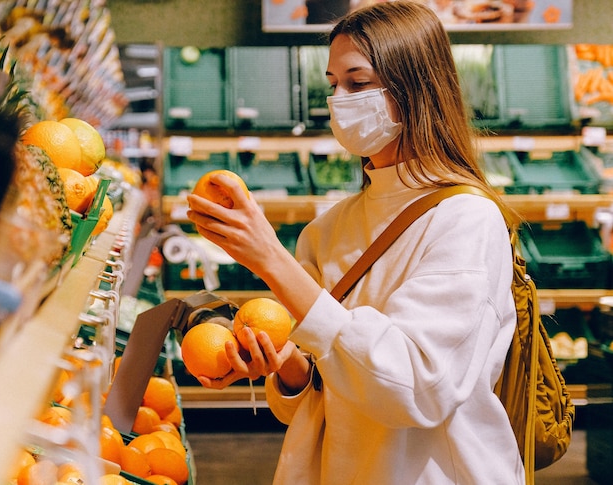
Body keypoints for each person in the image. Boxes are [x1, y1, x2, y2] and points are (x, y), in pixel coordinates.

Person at [185, 2, 524, 483]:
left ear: (415, 89)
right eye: (332, 84)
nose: (339, 99)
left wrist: (269, 259)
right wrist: (283, 364)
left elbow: (414, 388)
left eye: (358, 83)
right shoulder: (329, 229)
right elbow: (321, 389)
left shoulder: (467, 219)